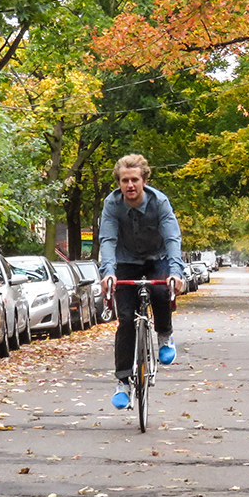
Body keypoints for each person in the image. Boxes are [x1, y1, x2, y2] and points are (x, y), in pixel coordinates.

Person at [98, 154, 186, 408]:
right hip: (126, 262)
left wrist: (175, 273)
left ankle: (164, 336)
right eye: (124, 181)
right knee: (125, 319)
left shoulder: (160, 202)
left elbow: (172, 239)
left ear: (144, 180)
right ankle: (123, 383)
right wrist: (109, 272)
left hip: (157, 258)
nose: (130, 185)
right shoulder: (112, 204)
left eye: (135, 179)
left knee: (160, 291)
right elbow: (108, 240)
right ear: (119, 183)